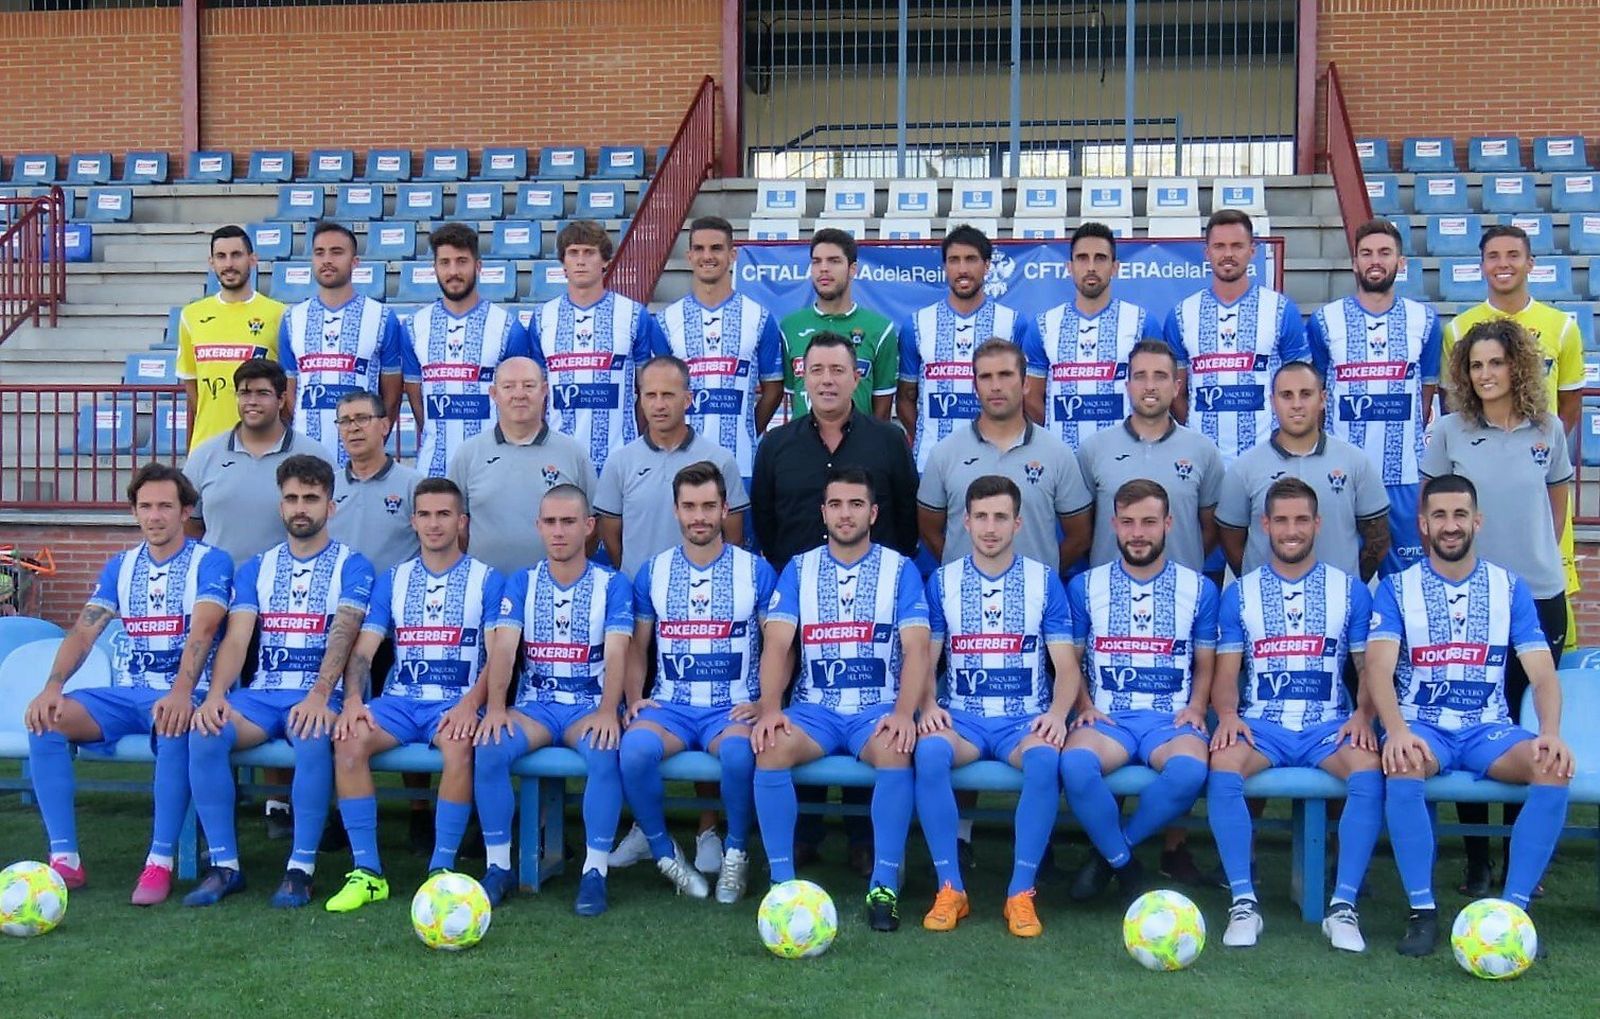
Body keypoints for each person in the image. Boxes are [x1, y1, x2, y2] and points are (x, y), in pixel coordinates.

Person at [1365, 474, 1573, 957]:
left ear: (1477, 521)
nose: (1450, 525)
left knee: (1554, 766)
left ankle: (1514, 912)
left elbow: (1542, 674)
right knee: (1402, 761)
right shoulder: (1397, 588)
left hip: (1488, 728)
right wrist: (1395, 730)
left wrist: (1551, 733)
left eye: (1460, 515)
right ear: (1422, 524)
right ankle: (1423, 912)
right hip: (1423, 724)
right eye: (1439, 515)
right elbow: (1378, 667)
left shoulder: (1510, 587)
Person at [22, 464, 232, 905]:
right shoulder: (121, 565)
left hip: (187, 692)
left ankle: (159, 861)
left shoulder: (210, 560)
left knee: (175, 722)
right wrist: (52, 686)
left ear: (186, 510)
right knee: (47, 721)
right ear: (134, 512)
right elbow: (83, 631)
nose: (154, 516)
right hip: (127, 693)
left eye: (165, 506)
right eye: (145, 506)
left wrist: (179, 691)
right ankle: (66, 860)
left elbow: (206, 629)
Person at [1421, 318, 1573, 896]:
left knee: (1522, 730)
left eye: (1496, 363)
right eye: (1476, 364)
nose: (1486, 374)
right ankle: (1476, 858)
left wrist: (1528, 559)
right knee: (1474, 722)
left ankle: (1518, 859)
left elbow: (1554, 508)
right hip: (1471, 601)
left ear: (1517, 366)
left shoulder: (1547, 429)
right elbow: (1438, 510)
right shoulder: (1450, 433)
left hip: (1538, 597)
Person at [183, 455, 374, 908]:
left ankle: (300, 868)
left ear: (332, 505)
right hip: (263, 694)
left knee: (311, 734)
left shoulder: (355, 564)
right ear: (280, 505)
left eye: (311, 498)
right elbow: (237, 638)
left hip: (316, 694)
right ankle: (225, 866)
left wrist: (319, 694)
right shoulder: (256, 567)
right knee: (206, 731)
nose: (300, 507)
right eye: (291, 498)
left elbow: (345, 636)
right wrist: (215, 696)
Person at [1206, 477, 1381, 952]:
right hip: (1262, 723)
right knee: (1222, 764)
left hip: (1329, 724)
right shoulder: (1239, 593)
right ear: (1264, 525)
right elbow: (1228, 671)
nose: (1291, 529)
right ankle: (1243, 902)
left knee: (1368, 769)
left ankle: (1343, 907)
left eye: (1301, 519)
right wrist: (1226, 715)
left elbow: (1368, 668)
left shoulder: (1350, 590)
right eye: (1281, 520)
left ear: (1317, 524)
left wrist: (1364, 715)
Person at [751, 467, 929, 931]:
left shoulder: (900, 569)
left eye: (855, 505)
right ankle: (782, 886)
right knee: (769, 747)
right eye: (835, 505)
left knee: (896, 748)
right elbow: (777, 644)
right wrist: (771, 709)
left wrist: (905, 713)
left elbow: (916, 649)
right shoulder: (798, 568)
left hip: (876, 708)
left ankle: (883, 885)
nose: (845, 514)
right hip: (815, 709)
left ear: (872, 512)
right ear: (823, 513)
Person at [325, 477, 505, 912]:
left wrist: (470, 704)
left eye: (444, 514)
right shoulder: (394, 579)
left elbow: (500, 654)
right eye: (424, 514)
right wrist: (352, 700)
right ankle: (368, 873)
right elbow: (364, 649)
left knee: (461, 744)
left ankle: (440, 871)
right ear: (413, 521)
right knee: (348, 738)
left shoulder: (488, 578)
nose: (434, 523)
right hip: (401, 701)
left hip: (456, 700)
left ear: (462, 521)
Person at [914, 475, 1077, 937]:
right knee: (929, 752)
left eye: (1000, 517)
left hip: (1022, 719)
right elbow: (927, 657)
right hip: (962, 717)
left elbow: (1066, 666)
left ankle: (1020, 893)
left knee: (1045, 759)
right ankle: (951, 887)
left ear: (1018, 523)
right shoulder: (942, 580)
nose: (990, 527)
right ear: (964, 522)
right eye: (981, 516)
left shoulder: (1043, 581)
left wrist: (1057, 714)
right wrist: (927, 704)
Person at [617, 462, 778, 902]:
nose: (699, 516)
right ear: (676, 511)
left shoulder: (756, 571)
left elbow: (778, 644)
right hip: (671, 706)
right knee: (633, 751)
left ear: (726, 508)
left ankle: (736, 854)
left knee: (740, 753)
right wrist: (634, 698)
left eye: (709, 506)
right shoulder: (653, 571)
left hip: (732, 706)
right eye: (689, 507)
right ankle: (664, 852)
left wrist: (767, 701)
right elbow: (637, 645)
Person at [473, 485, 634, 913]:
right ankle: (497, 867)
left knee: (605, 751)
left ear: (588, 526)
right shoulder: (522, 581)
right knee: (488, 748)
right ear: (538, 527)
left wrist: (606, 710)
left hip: (588, 705)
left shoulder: (612, 584)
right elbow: (504, 648)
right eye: (550, 522)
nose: (558, 532)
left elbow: (619, 650)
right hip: (536, 706)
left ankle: (595, 871)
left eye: (568, 522)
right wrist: (494, 708)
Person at [1057, 479, 1218, 900]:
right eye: (1127, 522)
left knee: (1188, 771)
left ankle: (1112, 854)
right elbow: (1070, 658)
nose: (1138, 533)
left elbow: (1205, 662)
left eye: (1149, 522)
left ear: (1168, 523)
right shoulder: (1085, 586)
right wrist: (1084, 704)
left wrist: (1199, 707)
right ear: (1113, 524)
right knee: (1075, 766)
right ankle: (1127, 868)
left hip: (1170, 719)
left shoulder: (1199, 588)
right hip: (1108, 717)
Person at [1440, 222, 1584, 653]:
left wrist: (1531, 452)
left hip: (1536, 478)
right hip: (1480, 483)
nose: (1503, 265)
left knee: (1548, 607)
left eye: (1512, 255)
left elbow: (1570, 404)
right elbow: (1454, 406)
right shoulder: (1459, 329)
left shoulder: (1561, 327)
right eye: (1493, 257)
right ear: (1481, 265)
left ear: (1531, 263)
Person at [1307, 218, 1441, 574]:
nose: (1375, 260)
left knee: (1408, 580)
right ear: (1354, 263)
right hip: (1341, 474)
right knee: (1338, 575)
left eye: (1385, 252)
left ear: (1401, 262)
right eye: (1366, 253)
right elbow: (1318, 392)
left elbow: (1427, 392)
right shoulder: (1324, 321)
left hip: (1404, 476)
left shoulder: (1425, 321)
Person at [918, 337, 1091, 575]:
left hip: (1035, 602)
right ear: (974, 386)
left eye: (1006, 375)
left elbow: (1080, 534)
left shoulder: (1058, 453)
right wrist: (959, 571)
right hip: (962, 600)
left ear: (1025, 383)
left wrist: (1039, 577)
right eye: (986, 377)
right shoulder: (944, 453)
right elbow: (928, 529)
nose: (996, 386)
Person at [752, 332, 920, 567]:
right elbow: (764, 522)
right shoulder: (775, 445)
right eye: (817, 370)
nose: (827, 380)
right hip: (796, 590)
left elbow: (907, 518)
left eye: (837, 370)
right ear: (804, 377)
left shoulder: (890, 441)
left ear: (856, 378)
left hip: (875, 588)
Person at [1217, 362, 1391, 582]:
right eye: (1286, 395)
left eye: (1306, 394)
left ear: (1323, 399)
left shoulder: (1355, 462)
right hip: (1265, 606)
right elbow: (1231, 541)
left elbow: (1378, 539)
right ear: (1272, 402)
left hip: (1338, 603)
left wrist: (1349, 585)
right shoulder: (1244, 468)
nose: (1297, 404)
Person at [1165, 209, 1312, 468]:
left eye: (1237, 246)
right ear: (1207, 252)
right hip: (1204, 462)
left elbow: (1301, 387)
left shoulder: (1280, 309)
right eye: (1219, 246)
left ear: (1252, 251)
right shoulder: (1182, 313)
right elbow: (1176, 392)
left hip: (1270, 459)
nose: (1228, 254)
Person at [897, 224, 1045, 470]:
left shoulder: (1013, 323)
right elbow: (905, 397)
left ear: (987, 266)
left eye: (971, 260)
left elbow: (1026, 396)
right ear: (944, 267)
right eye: (954, 260)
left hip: (997, 461)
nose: (962, 269)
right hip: (931, 462)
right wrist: (927, 436)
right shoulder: (917, 324)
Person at [533, 219, 669, 475]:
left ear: (605, 260)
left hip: (620, 458)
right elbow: (538, 394)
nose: (581, 260)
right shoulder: (542, 318)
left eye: (589, 252)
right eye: (573, 253)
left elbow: (647, 388)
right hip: (558, 460)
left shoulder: (632, 314)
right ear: (563, 263)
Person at [401, 222, 536, 477]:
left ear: (478, 266)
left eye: (461, 261)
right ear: (435, 268)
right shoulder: (414, 327)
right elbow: (416, 398)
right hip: (433, 467)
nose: (453, 271)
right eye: (445, 262)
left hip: (494, 468)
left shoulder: (508, 327)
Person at [656, 215, 784, 482]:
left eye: (716, 248)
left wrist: (746, 430)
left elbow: (773, 391)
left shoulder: (759, 317)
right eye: (699, 249)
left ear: (732, 255)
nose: (708, 256)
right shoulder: (667, 320)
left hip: (740, 466)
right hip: (680, 466)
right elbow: (659, 394)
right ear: (689, 256)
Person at [595, 356, 747, 580]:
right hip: (639, 595)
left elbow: (733, 537)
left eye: (668, 395)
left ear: (687, 400)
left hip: (701, 595)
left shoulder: (720, 460)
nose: (659, 405)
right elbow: (610, 534)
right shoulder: (619, 462)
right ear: (641, 400)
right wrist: (637, 579)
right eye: (651, 395)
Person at [1077, 339, 1224, 572]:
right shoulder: (1093, 449)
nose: (1150, 386)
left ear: (1177, 387)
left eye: (1160, 376)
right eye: (1140, 376)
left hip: (1181, 594)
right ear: (1127, 386)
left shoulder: (1203, 450)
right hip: (1108, 593)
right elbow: (1082, 531)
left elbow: (1212, 529)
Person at [445, 356, 596, 576]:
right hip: (485, 591)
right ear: (494, 394)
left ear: (544, 390)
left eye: (528, 386)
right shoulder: (468, 453)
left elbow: (593, 525)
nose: (519, 395)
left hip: (552, 590)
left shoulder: (572, 453)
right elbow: (457, 528)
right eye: (508, 387)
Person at [184, 359, 337, 568]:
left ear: (282, 399)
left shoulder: (314, 455)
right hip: (219, 590)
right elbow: (189, 526)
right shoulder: (204, 456)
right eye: (245, 393)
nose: (252, 401)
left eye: (262, 393)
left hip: (285, 587)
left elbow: (332, 523)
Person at [279, 220, 404, 462]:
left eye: (337, 252)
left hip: (362, 459)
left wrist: (373, 441)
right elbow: (290, 390)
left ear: (354, 261)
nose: (327, 260)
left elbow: (392, 393)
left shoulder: (381, 317)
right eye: (319, 253)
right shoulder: (293, 318)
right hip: (307, 455)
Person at [1030, 221, 1160, 449]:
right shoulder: (1043, 324)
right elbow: (1031, 398)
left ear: (1115, 266)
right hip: (1064, 457)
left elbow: (1156, 394)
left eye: (1100, 258)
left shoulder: (1142, 322)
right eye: (1082, 258)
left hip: (1125, 456)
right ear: (1069, 267)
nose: (1091, 267)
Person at [177, 225, 287, 450]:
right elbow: (191, 383)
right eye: (221, 256)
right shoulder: (191, 315)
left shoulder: (279, 314)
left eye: (236, 255)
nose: (228, 264)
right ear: (212, 263)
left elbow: (288, 385)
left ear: (253, 259)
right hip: (206, 446)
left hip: (262, 447)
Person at [779, 228, 898, 419]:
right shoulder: (789, 327)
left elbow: (882, 411)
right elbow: (795, 400)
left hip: (858, 445)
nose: (824, 268)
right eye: (816, 262)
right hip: (804, 445)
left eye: (834, 261)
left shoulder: (881, 329)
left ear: (852, 269)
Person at [328, 391, 423, 577]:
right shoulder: (327, 487)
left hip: (391, 599)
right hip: (340, 600)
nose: (353, 428)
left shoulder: (414, 485)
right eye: (345, 421)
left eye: (362, 418)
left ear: (385, 426)